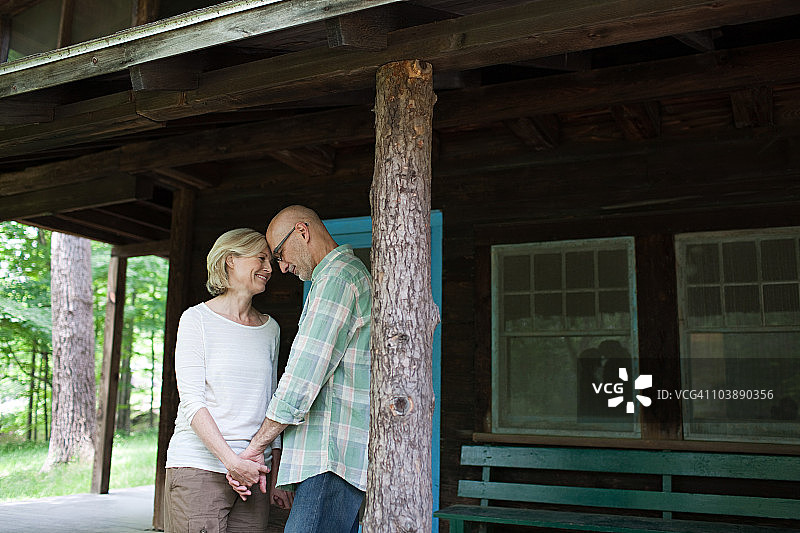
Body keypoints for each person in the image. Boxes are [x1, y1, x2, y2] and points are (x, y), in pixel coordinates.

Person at [228, 205, 372, 533]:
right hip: (331, 460)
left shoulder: (338, 277)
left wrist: (255, 447)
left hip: (330, 457)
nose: (280, 267)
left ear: (303, 232)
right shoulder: (335, 277)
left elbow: (302, 378)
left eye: (279, 254)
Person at [163, 228, 292, 533]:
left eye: (270, 260)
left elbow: (272, 402)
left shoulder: (270, 328)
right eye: (261, 258)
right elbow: (192, 402)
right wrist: (231, 461)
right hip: (199, 468)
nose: (269, 269)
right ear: (231, 260)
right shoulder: (197, 320)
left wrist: (276, 473)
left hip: (255, 473)